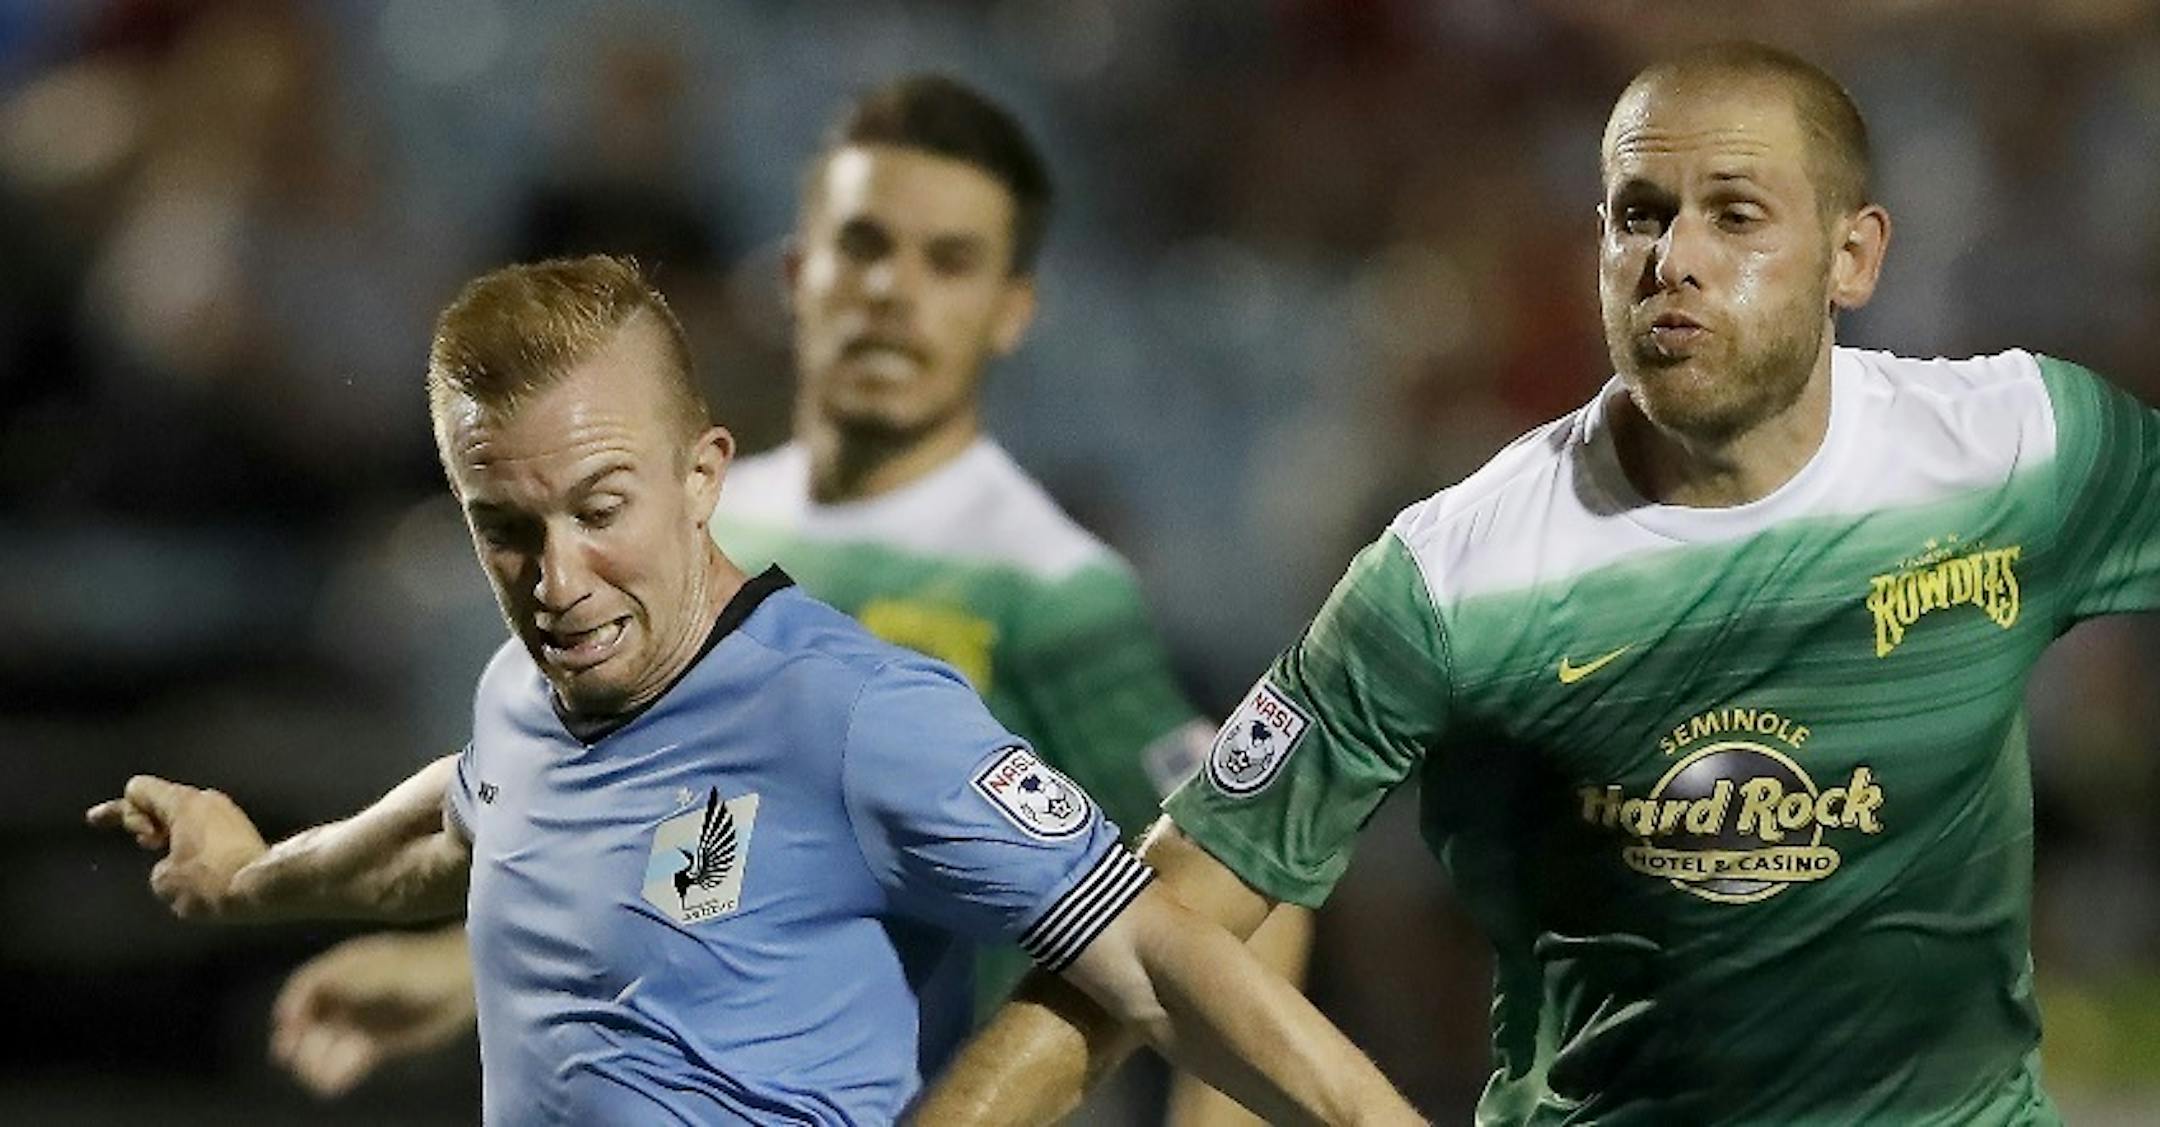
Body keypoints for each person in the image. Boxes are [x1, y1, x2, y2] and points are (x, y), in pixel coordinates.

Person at [917, 41, 2160, 1125]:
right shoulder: (1459, 572)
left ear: (1854, 255)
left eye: (1735, 216)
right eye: (1637, 212)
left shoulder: (2021, 446)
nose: (1672, 258)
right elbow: (1153, 917)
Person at [86, 254, 1420, 1126]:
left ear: (704, 471)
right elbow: (457, 817)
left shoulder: (852, 713)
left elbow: (1158, 955)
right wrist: (260, 870)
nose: (556, 576)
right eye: (504, 526)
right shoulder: (520, 694)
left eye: (600, 508)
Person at [262, 76, 1311, 1123]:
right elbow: (684, 859)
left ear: (1011, 312)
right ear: (795, 273)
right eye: (864, 245)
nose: (893, 292)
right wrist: (461, 970)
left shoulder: (1045, 587)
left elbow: (1236, 873)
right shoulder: (683, 540)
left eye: (948, 262)